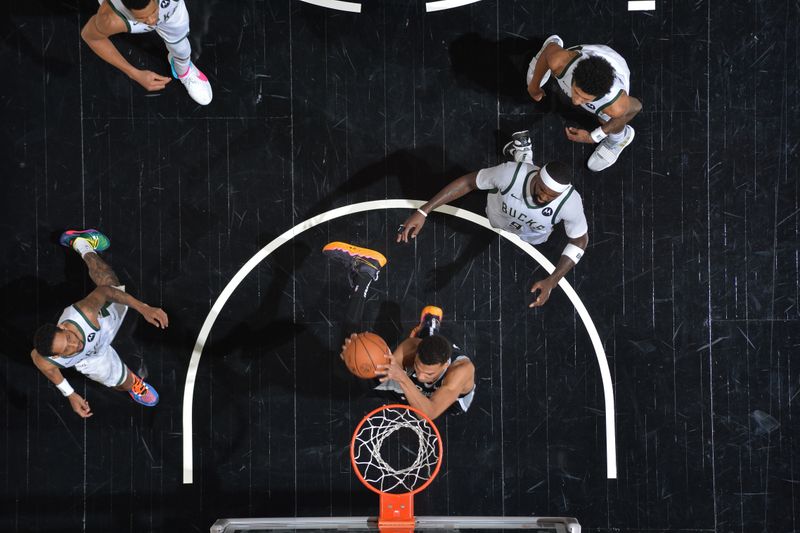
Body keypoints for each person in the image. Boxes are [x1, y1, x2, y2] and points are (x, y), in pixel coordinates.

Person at [397, 160, 588, 308]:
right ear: (537, 175)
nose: (544, 197)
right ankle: (524, 157)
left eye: (551, 196)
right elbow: (468, 182)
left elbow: (580, 239)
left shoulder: (570, 203)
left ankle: (524, 155)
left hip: (530, 236)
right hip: (495, 215)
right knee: (518, 171)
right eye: (542, 190)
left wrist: (553, 280)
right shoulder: (510, 174)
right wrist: (424, 211)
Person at [323, 242, 475, 420]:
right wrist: (354, 351)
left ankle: (429, 327)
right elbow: (378, 368)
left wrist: (403, 377)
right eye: (418, 367)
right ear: (416, 353)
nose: (420, 375)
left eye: (429, 374)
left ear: (444, 366)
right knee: (345, 368)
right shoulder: (412, 347)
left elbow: (429, 413)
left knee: (423, 398)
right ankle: (366, 272)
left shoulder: (461, 370)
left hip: (448, 403)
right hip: (407, 380)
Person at [30, 229, 168, 418]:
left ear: (62, 327)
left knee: (111, 283)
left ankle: (81, 244)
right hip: (91, 358)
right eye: (67, 349)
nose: (75, 344)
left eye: (69, 338)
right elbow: (48, 369)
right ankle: (134, 384)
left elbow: (105, 292)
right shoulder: (45, 360)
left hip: (101, 324)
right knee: (122, 383)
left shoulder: (84, 313)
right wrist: (70, 394)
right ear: (56, 356)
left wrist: (144, 308)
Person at [507, 35, 642, 172]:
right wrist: (534, 86)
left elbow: (636, 107)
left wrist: (594, 136)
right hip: (587, 55)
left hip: (616, 66)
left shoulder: (615, 105)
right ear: (575, 76)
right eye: (576, 92)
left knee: (607, 119)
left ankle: (619, 139)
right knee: (545, 67)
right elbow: (549, 51)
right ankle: (556, 44)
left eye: (585, 99)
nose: (576, 101)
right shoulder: (560, 61)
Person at [81, 0, 213, 105]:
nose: (151, 21)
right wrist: (135, 73)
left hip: (172, 12)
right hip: (130, 19)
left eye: (153, 12)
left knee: (182, 50)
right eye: (142, 17)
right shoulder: (110, 17)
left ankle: (184, 71)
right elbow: (91, 37)